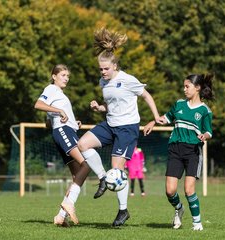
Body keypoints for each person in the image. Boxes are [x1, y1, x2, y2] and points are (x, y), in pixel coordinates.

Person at [77, 28, 161, 227]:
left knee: (118, 170)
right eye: (100, 69)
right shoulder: (102, 82)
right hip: (110, 123)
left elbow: (146, 96)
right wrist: (100, 107)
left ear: (114, 66)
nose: (103, 72)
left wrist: (156, 117)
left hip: (127, 129)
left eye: (106, 69)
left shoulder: (128, 80)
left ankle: (123, 211)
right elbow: (111, 105)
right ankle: (103, 178)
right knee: (82, 144)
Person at [144, 74, 214, 231]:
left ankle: (197, 223)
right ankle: (179, 208)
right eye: (184, 86)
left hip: (193, 152)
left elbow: (209, 131)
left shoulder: (205, 111)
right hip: (175, 149)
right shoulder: (179, 104)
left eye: (187, 86)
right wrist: (153, 121)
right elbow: (166, 118)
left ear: (197, 88)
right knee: (170, 191)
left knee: (189, 189)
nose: (184, 89)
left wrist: (205, 136)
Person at [34, 64, 91, 227]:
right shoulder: (51, 89)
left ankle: (60, 217)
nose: (66, 78)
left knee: (77, 176)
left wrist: (73, 122)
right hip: (63, 132)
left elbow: (48, 123)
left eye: (68, 76)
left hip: (66, 131)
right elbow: (38, 105)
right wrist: (60, 112)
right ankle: (68, 205)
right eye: (63, 75)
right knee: (86, 166)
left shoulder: (59, 94)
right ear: (54, 76)